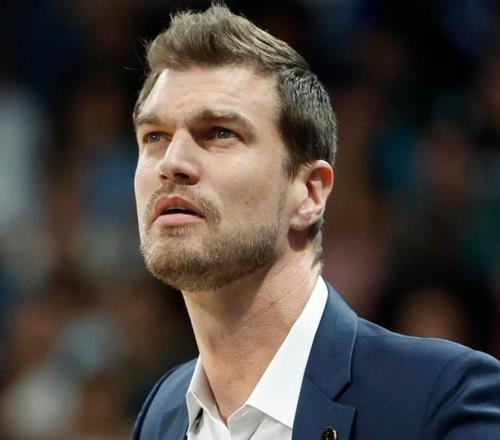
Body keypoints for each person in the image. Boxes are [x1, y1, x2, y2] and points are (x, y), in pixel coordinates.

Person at [131, 4, 500, 439]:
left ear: (309, 193)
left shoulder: (440, 398)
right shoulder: (162, 413)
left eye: (220, 133)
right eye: (154, 137)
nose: (171, 162)